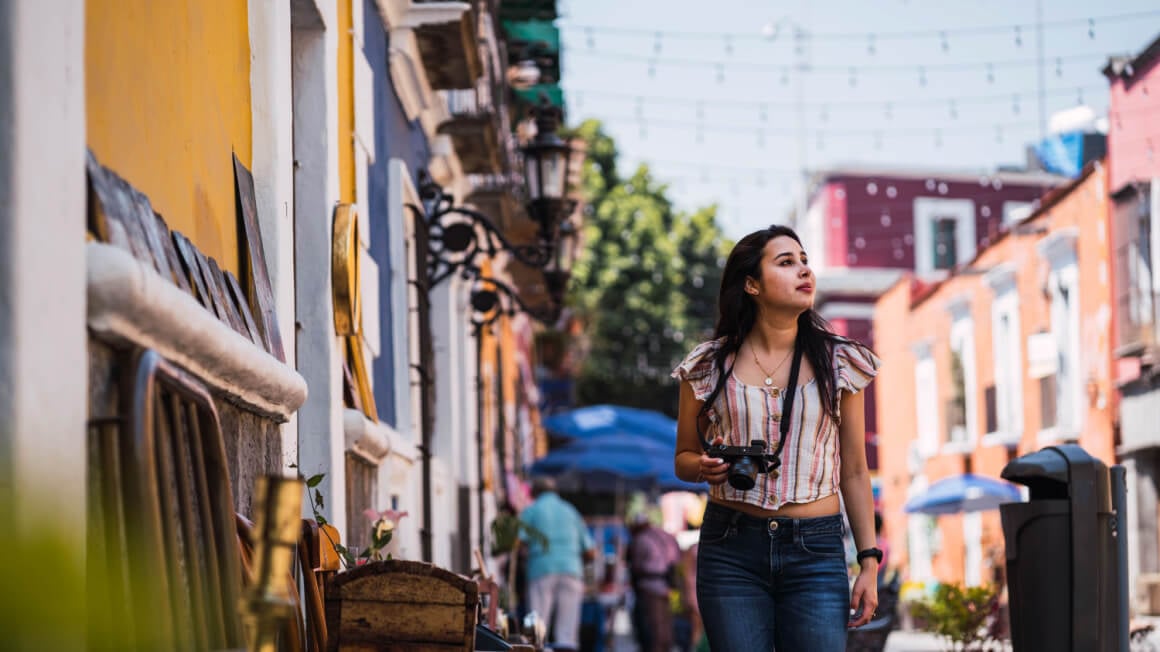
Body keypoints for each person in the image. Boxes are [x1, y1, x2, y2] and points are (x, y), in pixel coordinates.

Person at [671, 225, 882, 651]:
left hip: (816, 551)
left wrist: (869, 561)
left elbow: (855, 471)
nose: (804, 270)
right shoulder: (709, 365)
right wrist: (705, 467)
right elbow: (683, 458)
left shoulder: (841, 361)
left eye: (804, 260)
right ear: (751, 284)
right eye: (786, 262)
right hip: (730, 548)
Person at [519, 477, 595, 652]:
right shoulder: (571, 511)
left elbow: (518, 542)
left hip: (541, 569)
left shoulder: (532, 511)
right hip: (571, 570)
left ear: (535, 493)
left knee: (537, 629)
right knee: (567, 632)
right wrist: (573, 561)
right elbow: (590, 551)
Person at [626, 511, 680, 652]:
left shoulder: (640, 539)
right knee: (665, 630)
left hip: (650, 587)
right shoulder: (663, 535)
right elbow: (676, 558)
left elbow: (636, 566)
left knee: (655, 632)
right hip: (666, 586)